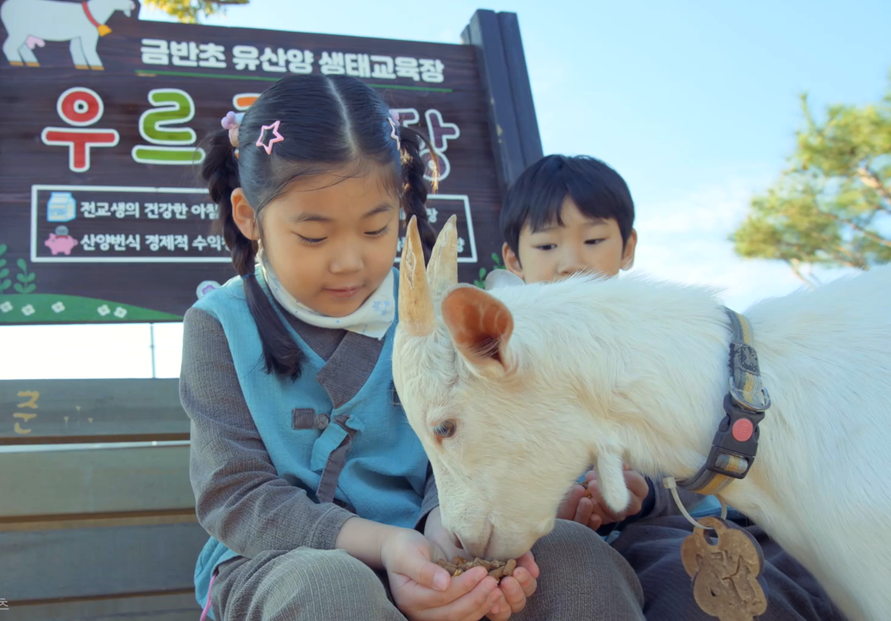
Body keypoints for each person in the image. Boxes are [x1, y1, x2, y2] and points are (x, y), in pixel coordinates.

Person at [180, 74, 646, 621]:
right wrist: (385, 545)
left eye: (376, 230)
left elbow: (463, 443)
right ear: (247, 215)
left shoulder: (435, 308)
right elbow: (235, 496)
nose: (349, 261)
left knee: (571, 557)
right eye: (314, 235)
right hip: (278, 562)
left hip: (429, 536)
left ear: (399, 207)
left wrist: (443, 535)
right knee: (331, 590)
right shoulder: (218, 326)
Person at [493, 153, 847, 620]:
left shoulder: (662, 343)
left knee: (777, 575)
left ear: (628, 248)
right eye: (546, 247)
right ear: (513, 260)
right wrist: (549, 502)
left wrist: (647, 491)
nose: (571, 262)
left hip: (681, 526)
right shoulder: (499, 359)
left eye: (594, 239)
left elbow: (708, 445)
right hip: (576, 546)